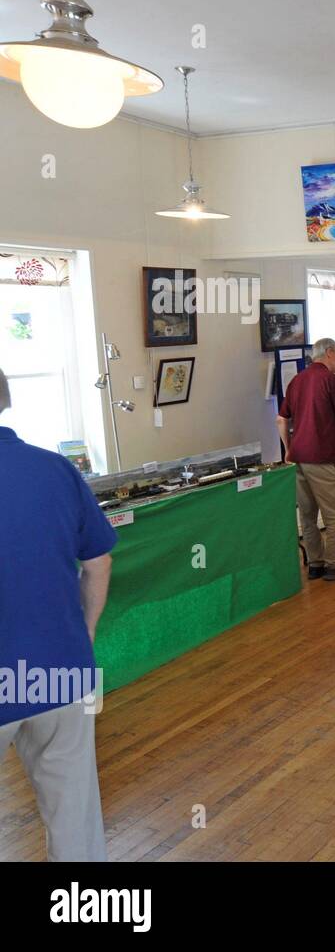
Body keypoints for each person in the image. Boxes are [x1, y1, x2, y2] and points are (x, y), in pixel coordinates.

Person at [0, 366, 113, 860]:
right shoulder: (56, 468)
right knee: (75, 818)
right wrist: (83, 633)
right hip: (62, 667)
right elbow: (99, 561)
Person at [277, 338, 335, 580]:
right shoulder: (331, 379)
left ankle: (315, 564)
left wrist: (288, 449)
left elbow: (282, 420)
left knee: (307, 515)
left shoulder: (296, 381)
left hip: (298, 458)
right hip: (322, 458)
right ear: (328, 353)